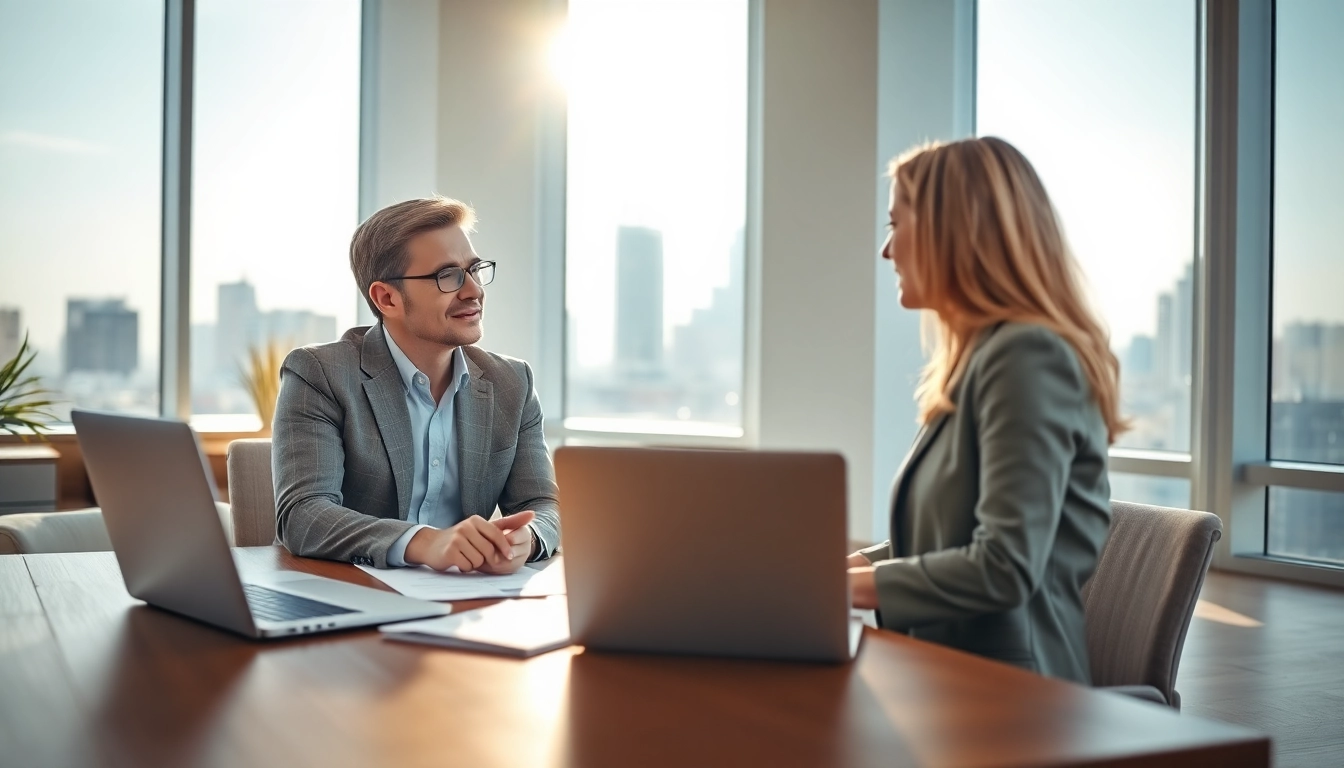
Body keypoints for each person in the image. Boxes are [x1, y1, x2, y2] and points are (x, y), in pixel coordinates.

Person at [847, 137, 1125, 684]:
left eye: (893, 225)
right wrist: (852, 567)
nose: (887, 251)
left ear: (949, 230)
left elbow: (1003, 565)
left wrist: (837, 588)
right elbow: (952, 536)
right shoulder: (980, 360)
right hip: (946, 677)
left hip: (1015, 697)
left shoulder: (1026, 355)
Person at [272, 197, 559, 573]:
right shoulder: (320, 373)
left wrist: (530, 537)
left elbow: (544, 504)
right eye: (448, 276)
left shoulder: (512, 382)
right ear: (387, 298)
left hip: (471, 601)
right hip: (359, 593)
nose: (474, 291)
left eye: (474, 270)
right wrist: (425, 542)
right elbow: (303, 515)